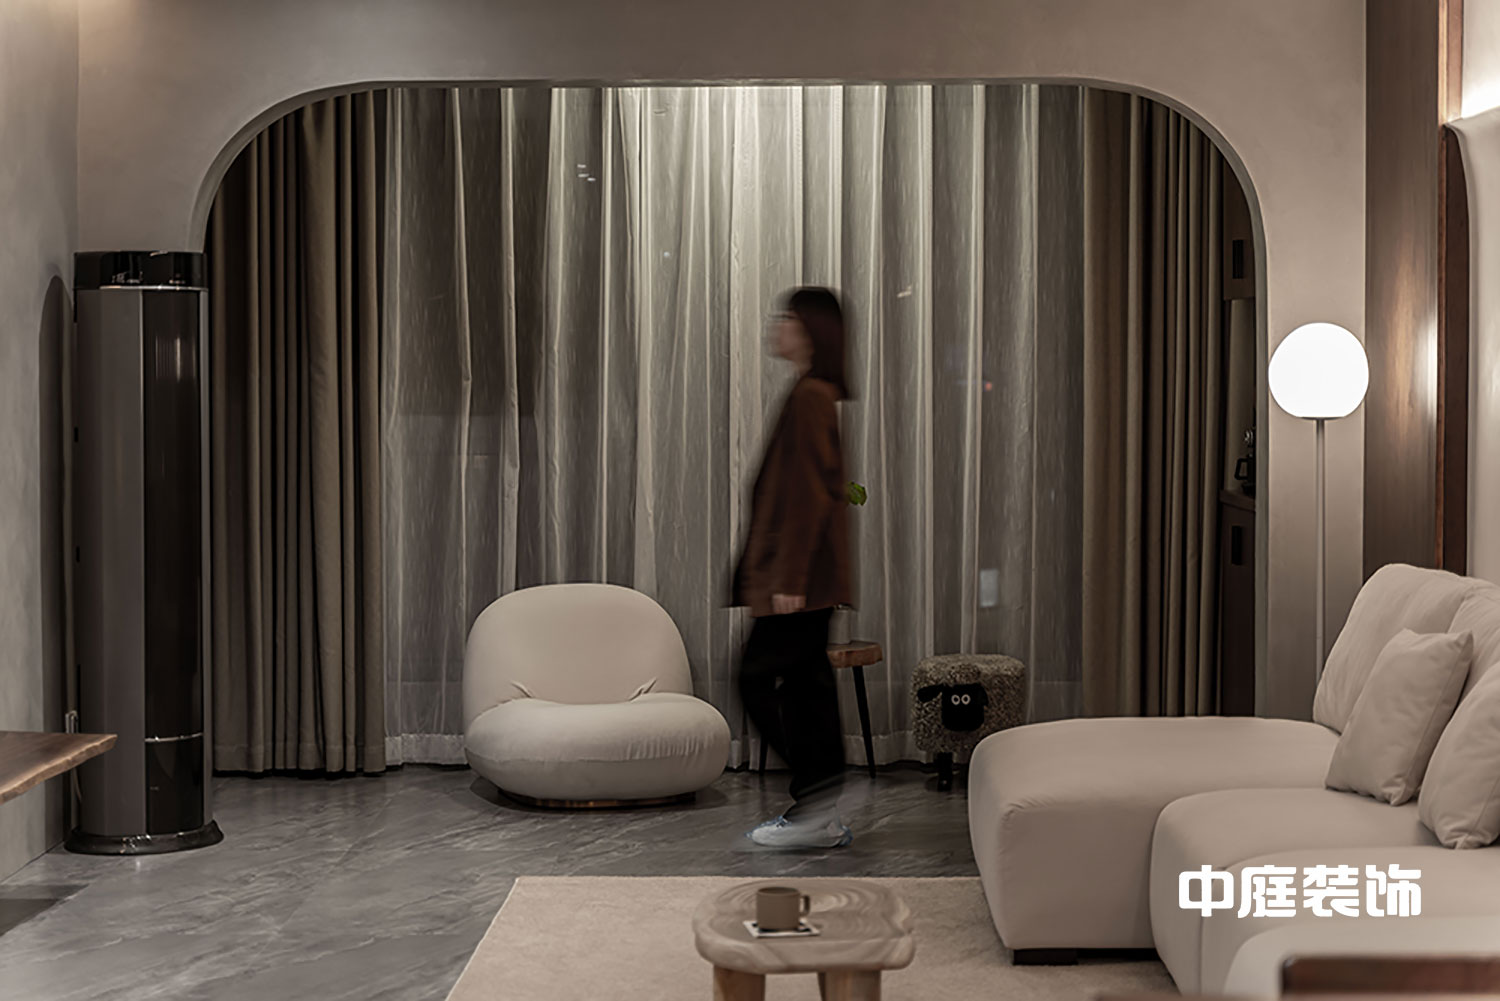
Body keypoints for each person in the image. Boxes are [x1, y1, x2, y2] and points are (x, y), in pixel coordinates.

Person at [732, 286, 853, 849]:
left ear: (808, 330)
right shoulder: (814, 392)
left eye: (785, 317)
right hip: (809, 581)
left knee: (755, 679)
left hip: (799, 584)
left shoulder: (810, 397)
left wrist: (788, 581)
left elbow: (808, 498)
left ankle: (818, 800)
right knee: (808, 687)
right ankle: (820, 808)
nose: (775, 325)